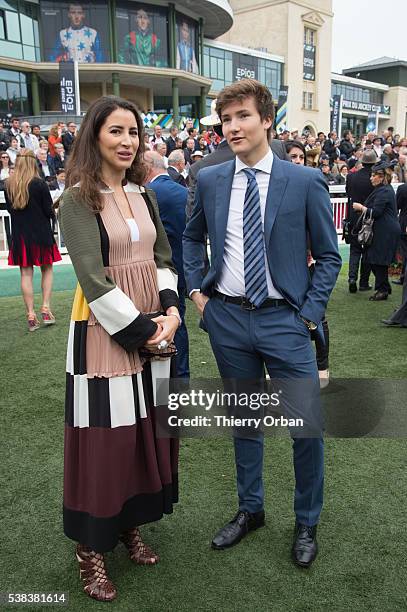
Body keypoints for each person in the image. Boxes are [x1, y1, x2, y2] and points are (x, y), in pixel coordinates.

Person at [183, 79, 341, 568]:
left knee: (305, 428)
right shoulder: (208, 179)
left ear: (267, 120)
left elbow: (330, 257)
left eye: (242, 116)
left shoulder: (304, 181)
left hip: (285, 322)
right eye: (226, 119)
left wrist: (308, 316)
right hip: (227, 318)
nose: (232, 127)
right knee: (244, 424)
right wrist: (197, 295)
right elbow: (190, 239)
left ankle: (306, 521)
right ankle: (251, 511)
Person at [58, 96, 180, 602]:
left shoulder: (143, 193)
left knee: (145, 435)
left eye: (133, 132)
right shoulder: (76, 198)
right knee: (105, 442)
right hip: (105, 332)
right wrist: (145, 332)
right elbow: (91, 278)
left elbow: (162, 257)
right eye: (116, 131)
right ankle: (91, 552)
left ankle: (130, 525)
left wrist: (171, 312)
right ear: (95, 136)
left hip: (157, 324)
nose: (127, 141)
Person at [286, 140, 331, 388]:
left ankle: (322, 366)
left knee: (318, 317)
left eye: (300, 157)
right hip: (282, 269)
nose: (297, 160)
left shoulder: (311, 183)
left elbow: (326, 245)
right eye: (292, 156)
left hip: (308, 264)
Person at [144, 150, 189, 378]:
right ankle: (181, 377)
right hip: (183, 268)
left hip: (159, 273)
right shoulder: (183, 191)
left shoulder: (148, 193)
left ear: (146, 166)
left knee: (165, 323)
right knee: (178, 321)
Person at [5, 149, 61, 330]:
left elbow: (11, 210)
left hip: (21, 236)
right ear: (32, 162)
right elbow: (48, 212)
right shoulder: (40, 184)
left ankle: (30, 314)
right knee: (47, 270)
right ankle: (45, 307)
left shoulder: (9, 185)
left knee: (25, 274)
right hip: (42, 235)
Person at [352, 159, 401, 301]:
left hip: (385, 231)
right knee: (373, 260)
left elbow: (377, 212)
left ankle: (383, 289)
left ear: (382, 177)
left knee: (377, 261)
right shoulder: (382, 189)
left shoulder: (384, 191)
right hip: (383, 230)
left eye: (374, 175)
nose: (371, 178)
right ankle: (383, 288)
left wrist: (361, 208)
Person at [345, 149, 376, 292]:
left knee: (355, 249)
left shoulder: (352, 177)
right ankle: (363, 282)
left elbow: (348, 193)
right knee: (368, 250)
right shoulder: (375, 178)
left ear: (362, 161)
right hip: (370, 217)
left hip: (354, 217)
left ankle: (352, 278)